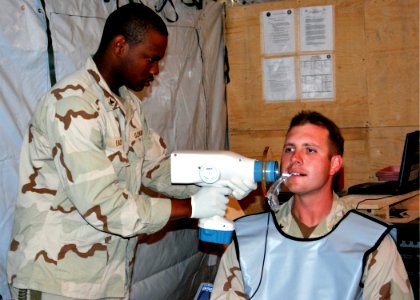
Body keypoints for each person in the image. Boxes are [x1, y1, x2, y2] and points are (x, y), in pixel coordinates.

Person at [7, 3, 256, 300]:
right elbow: (107, 206)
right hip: (57, 283)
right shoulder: (73, 105)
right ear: (120, 45)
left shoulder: (128, 105)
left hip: (106, 279)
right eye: (150, 59)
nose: (155, 70)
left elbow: (157, 168)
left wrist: (217, 182)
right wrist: (192, 207)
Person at [210, 110, 414, 300]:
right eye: (289, 149)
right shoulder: (247, 238)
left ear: (334, 164)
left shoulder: (372, 243)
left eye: (310, 150)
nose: (295, 159)